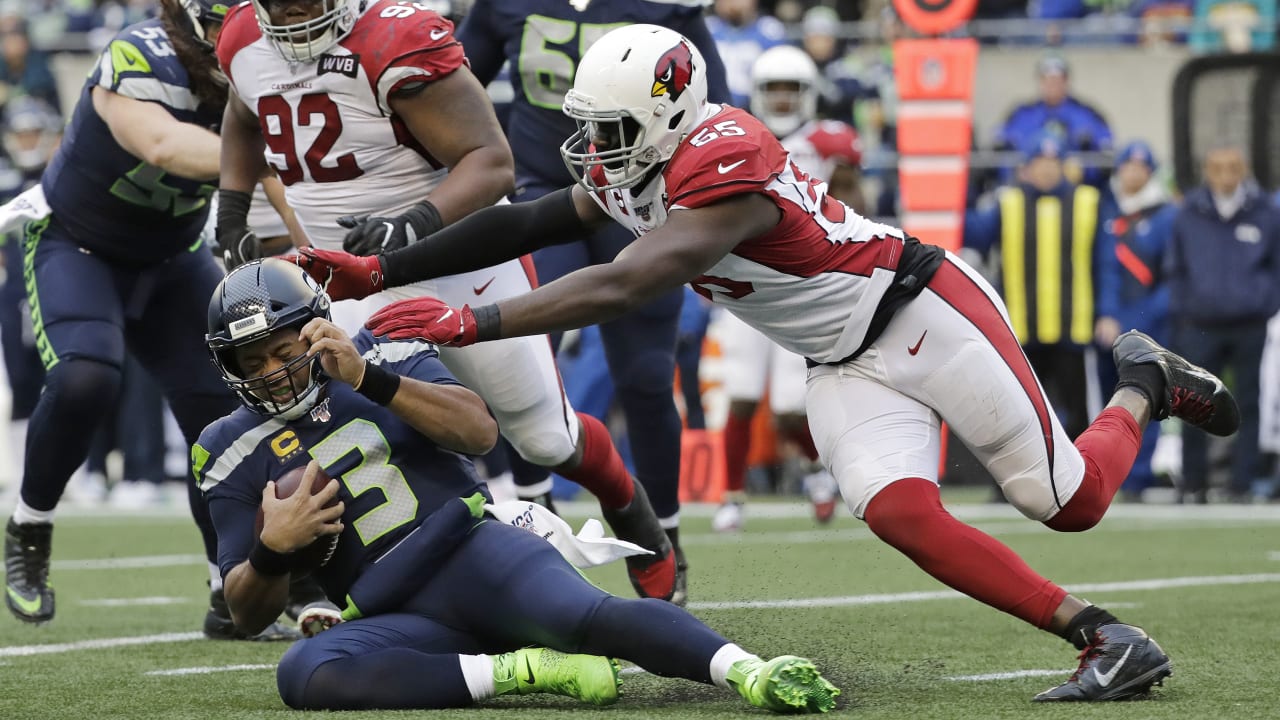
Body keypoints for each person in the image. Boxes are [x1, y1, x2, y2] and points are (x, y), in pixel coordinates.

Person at [293, 25, 1242, 702]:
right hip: (838, 358)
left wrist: (472, 326)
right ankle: (1105, 638)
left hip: (920, 312)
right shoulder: (641, 159)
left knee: (1066, 502)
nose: (592, 150)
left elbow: (632, 279)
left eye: (611, 131)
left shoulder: (724, 159)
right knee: (903, 514)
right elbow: (539, 217)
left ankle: (1143, 383)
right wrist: (385, 263)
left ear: (667, 119)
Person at [198, 258, 839, 713]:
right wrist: (271, 551)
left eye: (283, 351)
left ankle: (750, 671)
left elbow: (477, 433)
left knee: (591, 617)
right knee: (304, 674)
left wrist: (367, 379)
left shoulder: (380, 348)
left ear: (315, 325)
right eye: (250, 363)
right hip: (390, 611)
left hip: (473, 553)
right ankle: (523, 671)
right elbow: (247, 613)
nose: (272, 373)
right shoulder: (226, 447)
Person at [214, 0, 681, 603]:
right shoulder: (242, 38)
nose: (292, 9)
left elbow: (493, 162)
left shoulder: (393, 38)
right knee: (356, 429)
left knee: (543, 439)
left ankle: (634, 512)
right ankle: (356, 584)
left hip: (458, 262)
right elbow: (243, 114)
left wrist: (412, 223)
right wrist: (230, 211)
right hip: (346, 280)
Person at [1, 0, 301, 640]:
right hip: (78, 245)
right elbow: (163, 143)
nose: (237, 34)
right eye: (223, 19)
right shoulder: (139, 53)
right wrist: (260, 149)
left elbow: (277, 183)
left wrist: (314, 245)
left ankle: (229, 586)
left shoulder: (261, 64)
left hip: (173, 259)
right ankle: (29, 524)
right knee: (86, 380)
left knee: (224, 420)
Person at [455, 0, 731, 589]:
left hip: (644, 194)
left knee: (648, 377)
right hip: (542, 191)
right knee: (523, 349)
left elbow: (715, 108)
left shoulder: (667, 7)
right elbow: (449, 85)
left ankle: (662, 535)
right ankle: (535, 516)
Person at [714, 44, 864, 532]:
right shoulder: (734, 133)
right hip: (740, 283)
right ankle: (731, 496)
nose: (781, 99)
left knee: (784, 409)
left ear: (807, 93)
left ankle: (817, 470)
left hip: (800, 287)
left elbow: (854, 209)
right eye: (773, 89)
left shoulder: (827, 142)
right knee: (737, 394)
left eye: (790, 89)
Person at [965, 133, 1104, 440]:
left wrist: (1104, 312)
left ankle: (1080, 485)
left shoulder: (1087, 201)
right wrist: (965, 188)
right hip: (1021, 327)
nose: (1046, 170)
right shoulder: (1009, 202)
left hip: (1073, 326)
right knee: (1018, 412)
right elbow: (973, 234)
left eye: (1053, 163)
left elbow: (1104, 263)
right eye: (1039, 163)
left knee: (1077, 413)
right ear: (1026, 168)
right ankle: (1011, 486)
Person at [1167, 144, 1280, 502]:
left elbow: (1276, 266)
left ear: (1243, 169)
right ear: (1207, 171)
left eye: (1233, 167)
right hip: (1200, 322)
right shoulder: (1189, 213)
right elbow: (1176, 267)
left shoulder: (1264, 212)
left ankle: (1242, 483)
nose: (1226, 175)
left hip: (1249, 322)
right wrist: (1185, 308)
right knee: (1195, 402)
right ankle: (1194, 482)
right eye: (1218, 168)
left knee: (1249, 401)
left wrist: (1266, 304)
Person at [1094, 141, 1177, 501]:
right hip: (1107, 326)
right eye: (1128, 166)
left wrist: (1136, 321)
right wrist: (1106, 315)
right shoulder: (1105, 211)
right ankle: (1106, 475)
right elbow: (1102, 271)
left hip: (1149, 326)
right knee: (1109, 404)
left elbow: (1173, 279)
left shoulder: (1166, 215)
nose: (1134, 173)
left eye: (1141, 168)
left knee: (1147, 402)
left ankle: (1138, 477)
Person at [0, 96, 59, 490]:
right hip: (12, 291)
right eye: (20, 134)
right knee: (19, 380)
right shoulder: (6, 182)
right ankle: (20, 470)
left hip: (54, 285)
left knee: (58, 376)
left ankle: (65, 468)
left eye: (32, 133)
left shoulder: (58, 178)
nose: (26, 141)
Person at [995, 56, 1112, 186]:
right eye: (1048, 80)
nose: (1052, 85)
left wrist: (1084, 171)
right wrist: (1016, 171)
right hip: (1025, 188)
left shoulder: (1087, 113)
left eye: (1058, 80)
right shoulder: (1020, 114)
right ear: (1040, 82)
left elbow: (1104, 154)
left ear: (1067, 81)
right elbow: (1000, 150)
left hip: (1076, 189)